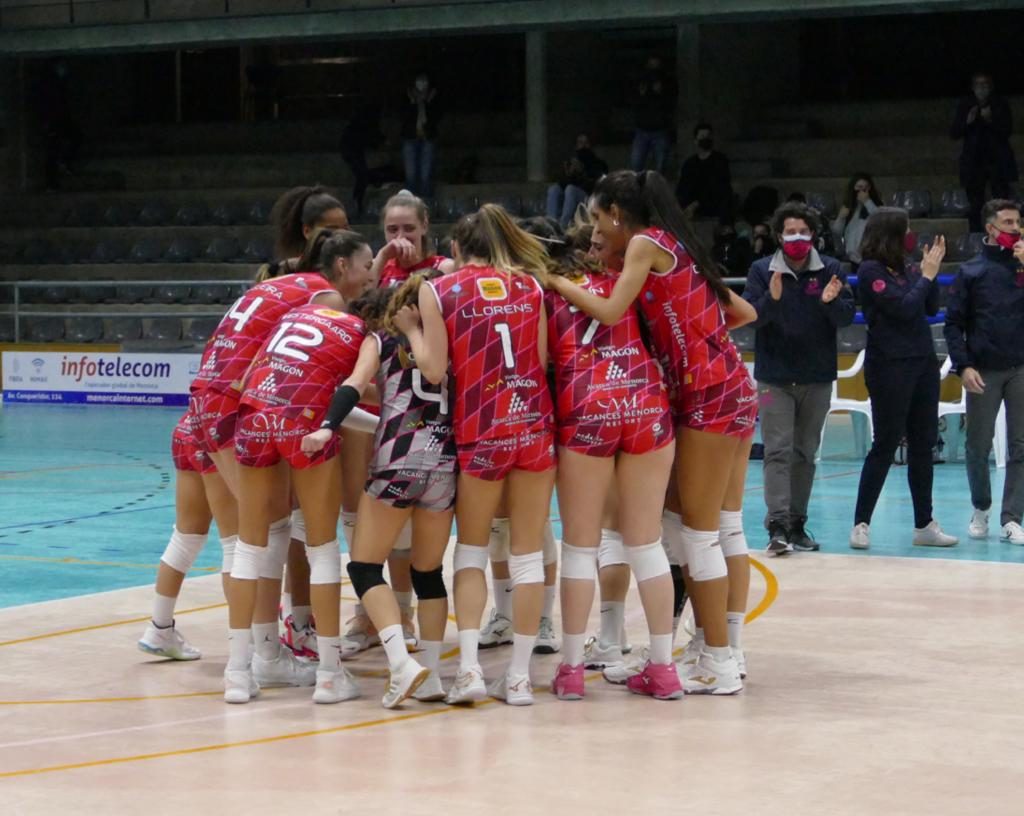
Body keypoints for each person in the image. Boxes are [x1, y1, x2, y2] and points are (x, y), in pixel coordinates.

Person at [549, 170, 758, 695]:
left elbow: (611, 308)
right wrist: (693, 338)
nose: (596, 231)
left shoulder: (644, 243)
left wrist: (554, 282)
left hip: (706, 395)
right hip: (734, 385)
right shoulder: (676, 247)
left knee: (699, 533)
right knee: (725, 527)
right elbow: (744, 312)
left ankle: (716, 661)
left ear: (618, 214)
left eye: (598, 219)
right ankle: (726, 647)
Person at [406, 204, 556, 706]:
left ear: (455, 249)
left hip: (480, 428)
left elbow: (432, 370)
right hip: (533, 426)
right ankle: (518, 678)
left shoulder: (439, 289)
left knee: (471, 550)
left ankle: (469, 669)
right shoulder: (530, 287)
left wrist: (410, 331)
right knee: (528, 554)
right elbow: (541, 357)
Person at [224, 230, 376, 704]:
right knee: (323, 547)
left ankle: (237, 673)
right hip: (306, 424)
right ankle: (330, 674)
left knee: (250, 547)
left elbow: (250, 376)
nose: (370, 273)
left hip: (253, 413)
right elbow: (353, 389)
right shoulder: (361, 332)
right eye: (367, 264)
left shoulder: (292, 314)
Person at [544, 215, 680, 701]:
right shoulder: (632, 282)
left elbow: (540, 359)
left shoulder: (550, 291)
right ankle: (663, 668)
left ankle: (574, 668)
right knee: (646, 543)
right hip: (645, 403)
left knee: (581, 546)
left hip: (586, 405)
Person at [303, 278, 455, 708]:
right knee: (428, 574)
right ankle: (432, 674)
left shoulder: (383, 338)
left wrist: (327, 425)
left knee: (366, 567)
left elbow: (353, 384)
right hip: (444, 463)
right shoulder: (444, 342)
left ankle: (400, 663)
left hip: (397, 461)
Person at [743, 202, 854, 555]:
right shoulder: (762, 270)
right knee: (777, 451)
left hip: (817, 377)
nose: (797, 238)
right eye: (790, 232)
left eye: (803, 232)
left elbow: (846, 317)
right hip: (774, 378)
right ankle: (776, 526)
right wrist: (772, 300)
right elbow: (751, 317)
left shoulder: (830, 270)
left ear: (814, 236)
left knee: (806, 453)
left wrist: (829, 302)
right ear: (778, 235)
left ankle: (797, 524)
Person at [848, 210, 958, 551]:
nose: (911, 234)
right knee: (886, 443)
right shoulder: (870, 271)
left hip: (922, 363)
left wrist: (928, 273)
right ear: (892, 233)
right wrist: (926, 277)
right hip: (889, 366)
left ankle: (924, 523)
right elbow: (902, 309)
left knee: (924, 443)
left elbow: (927, 309)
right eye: (906, 229)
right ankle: (861, 523)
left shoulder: (910, 268)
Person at [944, 199, 1024, 544]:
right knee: (978, 445)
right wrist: (964, 366)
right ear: (991, 229)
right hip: (983, 371)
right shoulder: (971, 271)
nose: (1016, 228)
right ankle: (981, 506)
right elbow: (953, 323)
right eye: (1008, 222)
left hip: (1020, 368)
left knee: (1021, 445)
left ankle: (1012, 518)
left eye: (1018, 222)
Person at [137, 409, 238, 660]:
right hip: (221, 429)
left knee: (185, 537)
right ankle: (248, 645)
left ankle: (159, 629)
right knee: (235, 542)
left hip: (189, 426)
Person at [951, 73, 1018, 232]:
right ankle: (977, 238)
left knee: (1001, 204)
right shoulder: (966, 105)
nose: (981, 88)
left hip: (998, 161)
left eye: (985, 85)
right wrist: (967, 121)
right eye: (978, 85)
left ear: (991, 87)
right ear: (973, 88)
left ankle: (1004, 237)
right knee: (975, 206)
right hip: (973, 163)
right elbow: (954, 133)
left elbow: (1007, 130)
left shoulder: (1000, 104)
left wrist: (990, 119)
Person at [370, 190, 456, 288]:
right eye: (393, 230)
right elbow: (361, 299)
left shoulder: (444, 268)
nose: (401, 237)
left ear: (424, 226)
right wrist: (383, 256)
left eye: (409, 229)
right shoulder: (378, 266)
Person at [268, 186, 349, 267]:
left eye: (345, 228)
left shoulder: (355, 268)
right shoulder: (288, 272)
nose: (342, 234)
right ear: (307, 231)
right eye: (332, 229)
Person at [546, 134, 609, 229]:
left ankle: (563, 227)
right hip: (568, 196)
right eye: (580, 143)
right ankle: (550, 224)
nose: (583, 146)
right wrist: (570, 173)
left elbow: (596, 185)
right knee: (553, 189)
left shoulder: (598, 163)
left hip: (587, 197)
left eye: (586, 143)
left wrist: (582, 173)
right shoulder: (571, 162)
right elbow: (561, 184)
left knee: (570, 189)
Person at [675, 123, 733, 222]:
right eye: (702, 137)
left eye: (708, 136)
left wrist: (696, 204)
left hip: (713, 202)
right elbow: (683, 186)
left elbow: (718, 186)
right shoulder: (690, 163)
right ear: (695, 141)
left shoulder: (720, 160)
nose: (705, 139)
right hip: (692, 204)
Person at [340, 102, 387, 219]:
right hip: (352, 148)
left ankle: (357, 203)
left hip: (353, 148)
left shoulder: (361, 120)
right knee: (362, 176)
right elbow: (371, 136)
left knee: (362, 176)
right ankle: (356, 204)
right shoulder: (367, 120)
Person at [631, 56, 674, 174]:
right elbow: (633, 102)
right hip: (642, 129)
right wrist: (641, 94)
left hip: (660, 130)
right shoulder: (641, 82)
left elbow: (670, 103)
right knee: (636, 165)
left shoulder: (667, 82)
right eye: (651, 65)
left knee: (661, 169)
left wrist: (661, 93)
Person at [402, 73, 440, 198]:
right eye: (419, 81)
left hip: (428, 138)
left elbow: (437, 117)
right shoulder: (407, 96)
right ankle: (410, 207)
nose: (421, 84)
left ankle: (426, 207)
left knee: (426, 175)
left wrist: (427, 102)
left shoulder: (433, 97)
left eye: (424, 81)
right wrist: (413, 103)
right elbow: (403, 117)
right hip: (410, 138)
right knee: (410, 175)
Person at [832, 173, 883, 269]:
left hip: (873, 256)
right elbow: (837, 231)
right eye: (859, 187)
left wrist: (867, 202)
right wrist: (841, 217)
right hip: (853, 258)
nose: (862, 190)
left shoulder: (877, 205)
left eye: (866, 187)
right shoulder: (849, 206)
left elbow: (880, 221)